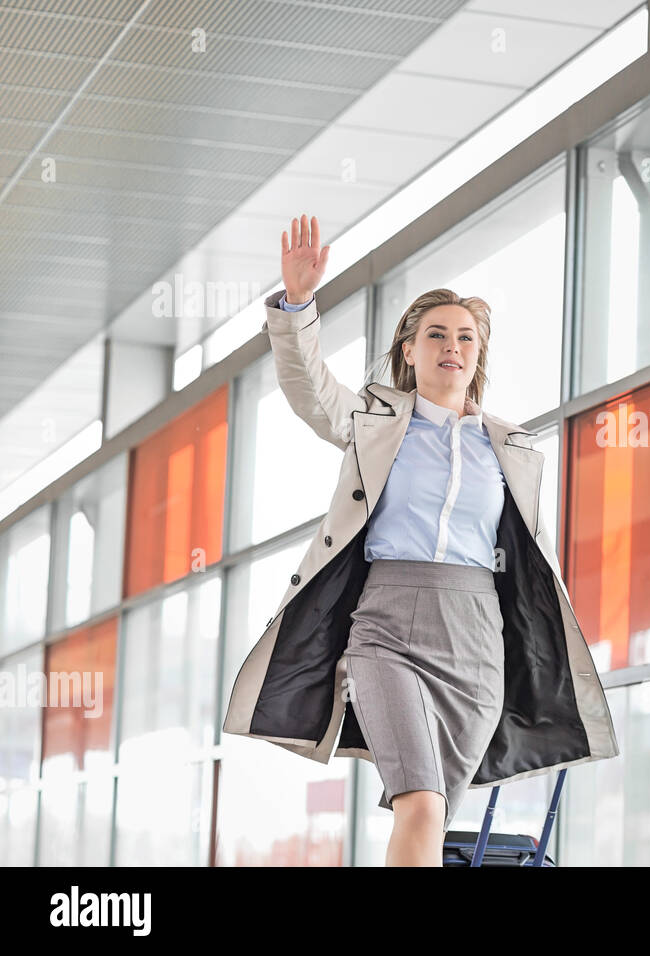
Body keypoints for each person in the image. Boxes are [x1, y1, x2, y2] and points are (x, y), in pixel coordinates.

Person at [223, 214, 619, 866]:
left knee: (432, 819)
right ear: (409, 350)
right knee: (421, 802)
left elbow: (525, 562)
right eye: (436, 334)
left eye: (465, 337)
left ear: (478, 354)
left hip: (475, 641)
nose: (452, 347)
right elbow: (309, 388)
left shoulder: (511, 448)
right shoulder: (377, 424)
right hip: (386, 629)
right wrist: (297, 306)